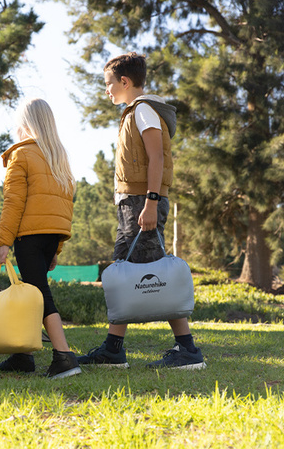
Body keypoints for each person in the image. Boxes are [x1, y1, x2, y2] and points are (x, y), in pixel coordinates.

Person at [77, 52, 206, 370]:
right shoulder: (134, 112)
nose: (106, 90)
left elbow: (157, 158)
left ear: (125, 81)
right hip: (132, 203)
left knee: (152, 270)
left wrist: (149, 202)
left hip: (141, 202)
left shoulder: (144, 110)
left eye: (109, 83)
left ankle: (187, 350)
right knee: (128, 269)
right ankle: (113, 348)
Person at [0, 98, 81, 379]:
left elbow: (13, 203)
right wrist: (57, 248)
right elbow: (64, 206)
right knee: (33, 294)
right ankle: (23, 356)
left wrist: (3, 242)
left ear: (25, 124)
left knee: (40, 294)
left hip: (29, 236)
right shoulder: (58, 155)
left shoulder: (22, 155)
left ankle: (64, 357)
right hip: (52, 236)